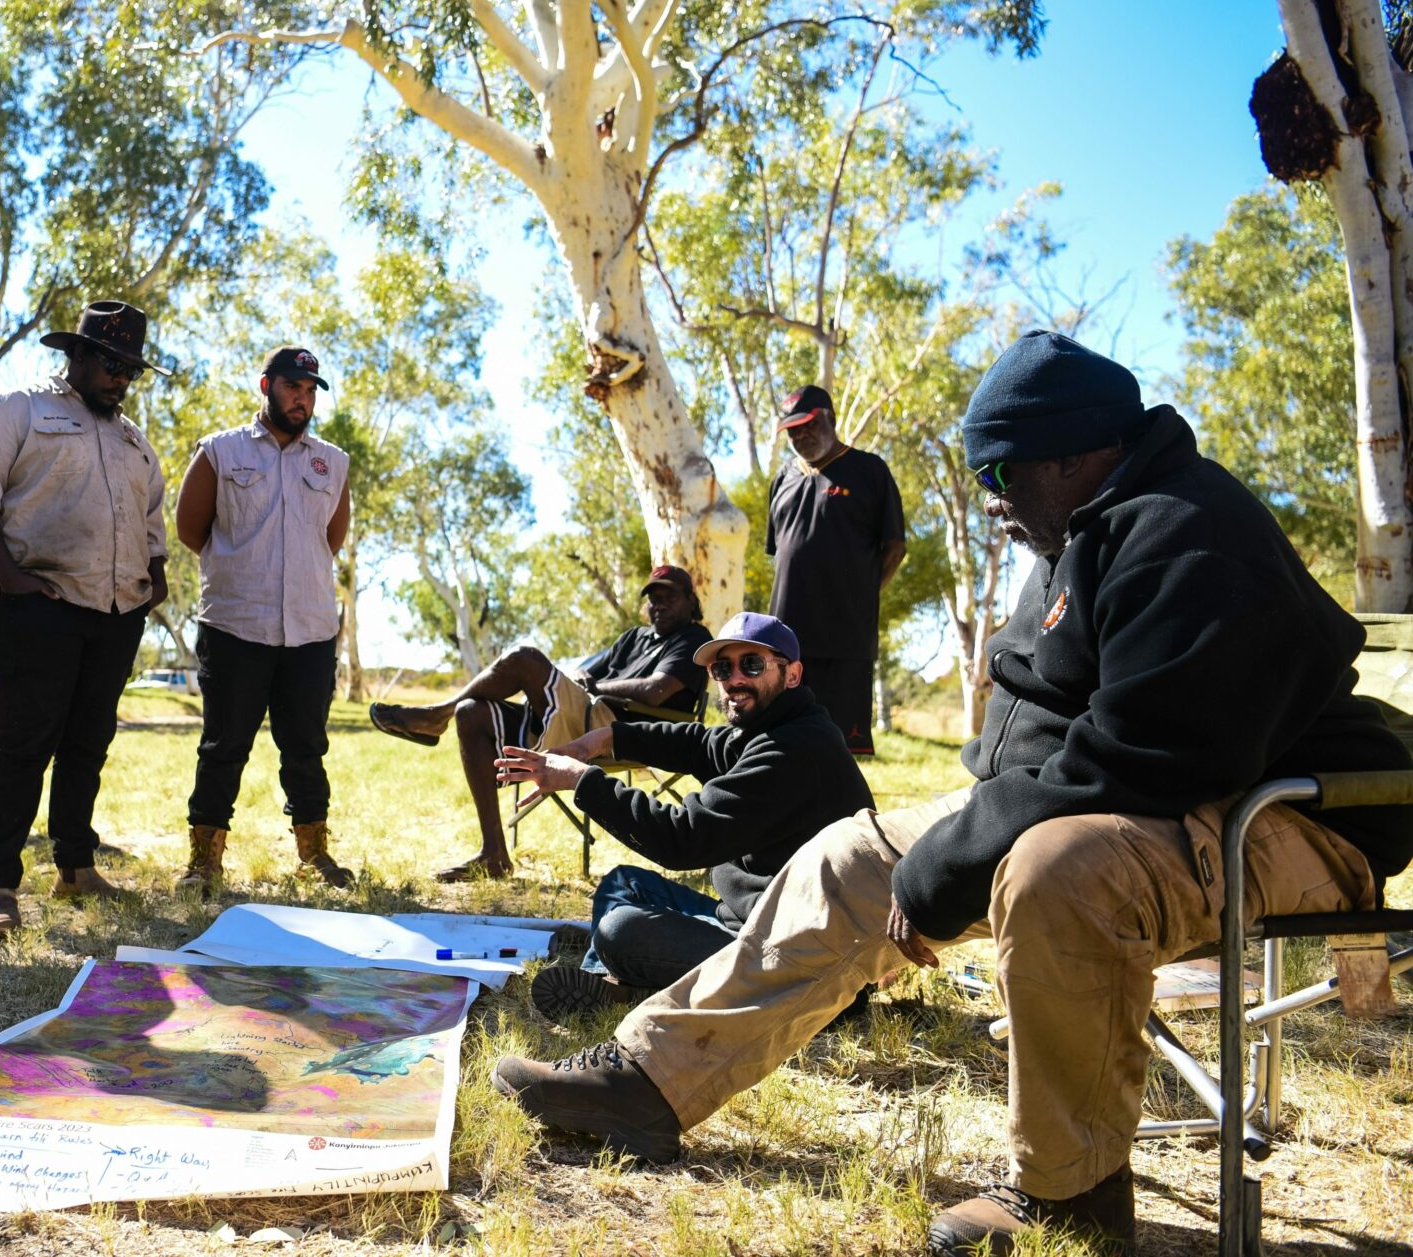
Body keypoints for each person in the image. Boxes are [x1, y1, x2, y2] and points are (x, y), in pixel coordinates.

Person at [491, 331, 1413, 1256]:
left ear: (1076, 452)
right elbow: (1045, 743)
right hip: (1141, 798)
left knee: (1057, 871)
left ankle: (1072, 1196)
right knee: (850, 854)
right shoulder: (1074, 534)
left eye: (1003, 469)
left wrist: (954, 866)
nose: (993, 496)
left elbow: (1155, 750)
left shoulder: (1190, 527)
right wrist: (936, 852)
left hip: (1288, 814)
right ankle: (647, 1082)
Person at [496, 613, 871, 1021]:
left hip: (802, 966)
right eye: (722, 668)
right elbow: (699, 743)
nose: (735, 680)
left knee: (620, 929)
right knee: (624, 883)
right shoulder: (775, 726)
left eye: (752, 664)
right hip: (758, 925)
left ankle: (619, 978)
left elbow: (682, 839)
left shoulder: (793, 749)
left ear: (792, 673)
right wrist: (605, 738)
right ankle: (608, 982)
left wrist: (584, 781)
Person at [0, 300, 171, 936]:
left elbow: (153, 519)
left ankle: (76, 867)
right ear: (74, 354)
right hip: (37, 609)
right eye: (110, 363)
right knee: (23, 746)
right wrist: (13, 579)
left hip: (115, 613)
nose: (120, 378)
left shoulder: (135, 442)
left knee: (88, 743)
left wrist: (153, 578)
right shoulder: (16, 410)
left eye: (130, 368)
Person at [370, 565, 712, 882]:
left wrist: (591, 687)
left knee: (525, 658)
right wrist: (582, 679)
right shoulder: (634, 637)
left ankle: (436, 716)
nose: (659, 605)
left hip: (620, 729)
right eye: (653, 599)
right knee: (471, 713)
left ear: (690, 601)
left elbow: (655, 690)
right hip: (581, 717)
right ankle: (494, 854)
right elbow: (587, 671)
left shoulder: (693, 639)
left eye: (670, 598)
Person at [173, 346, 353, 898]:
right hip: (236, 626)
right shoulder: (220, 452)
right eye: (293, 386)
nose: (302, 398)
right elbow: (190, 528)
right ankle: (205, 861)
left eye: (310, 390)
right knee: (223, 747)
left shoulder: (332, 462)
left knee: (306, 747)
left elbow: (332, 538)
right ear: (266, 385)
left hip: (309, 630)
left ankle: (314, 854)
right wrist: (245, 573)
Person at [764, 385, 906, 756]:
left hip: (845, 639)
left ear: (830, 417)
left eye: (808, 425)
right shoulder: (782, 478)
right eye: (792, 430)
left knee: (838, 748)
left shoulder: (869, 470)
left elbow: (895, 547)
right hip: (786, 640)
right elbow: (778, 553)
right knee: (782, 741)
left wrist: (860, 595)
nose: (800, 435)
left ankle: (842, 815)